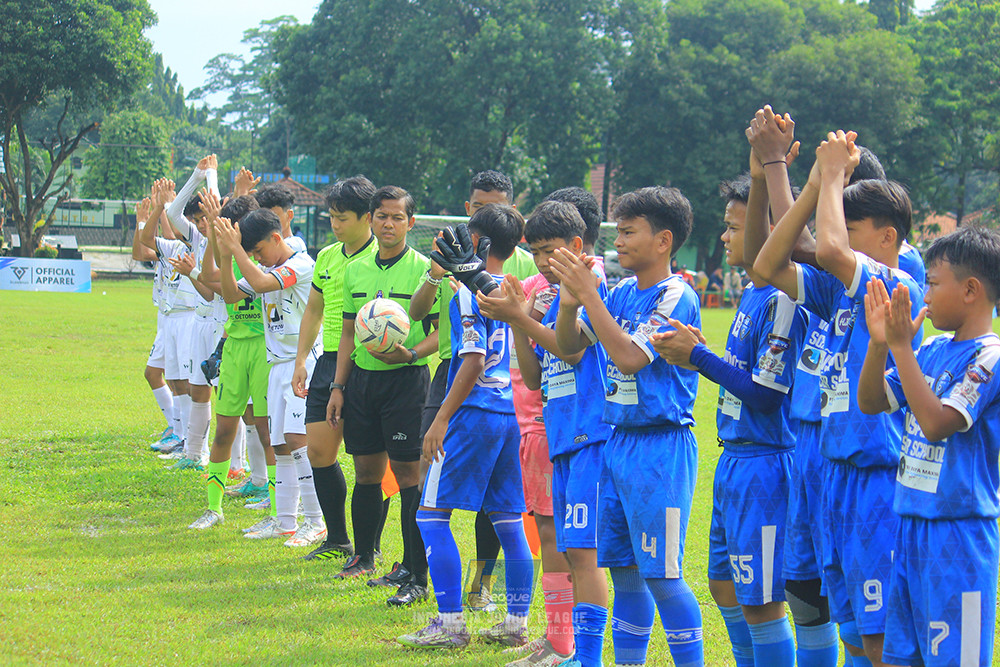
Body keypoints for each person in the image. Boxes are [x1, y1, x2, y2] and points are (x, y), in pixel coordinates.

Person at [754, 130, 924, 667]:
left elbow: (825, 248)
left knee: (879, 633)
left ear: (887, 236)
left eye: (853, 228)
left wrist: (827, 178)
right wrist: (811, 185)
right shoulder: (839, 291)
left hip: (874, 475)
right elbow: (767, 265)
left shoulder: (895, 281)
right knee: (850, 621)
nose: (840, 239)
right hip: (835, 471)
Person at [656, 173, 807, 666]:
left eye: (733, 227)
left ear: (768, 233)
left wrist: (698, 356)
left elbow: (766, 395)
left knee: (762, 600)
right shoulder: (752, 293)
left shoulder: (784, 301)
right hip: (735, 461)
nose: (724, 237)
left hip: (766, 463)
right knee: (724, 584)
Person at [551, 186, 704, 667]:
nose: (618, 240)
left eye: (629, 231)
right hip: (618, 443)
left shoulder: (675, 294)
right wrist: (572, 302)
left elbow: (630, 357)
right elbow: (568, 347)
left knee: (662, 574)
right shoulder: (618, 293)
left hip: (661, 446)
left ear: (663, 241)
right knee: (624, 570)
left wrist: (590, 297)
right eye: (617, 231)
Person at [858, 226, 1000, 667]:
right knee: (904, 658)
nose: (926, 297)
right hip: (913, 525)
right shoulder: (935, 349)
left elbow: (937, 424)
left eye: (934, 285)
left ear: (971, 289)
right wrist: (881, 346)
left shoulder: (989, 356)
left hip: (958, 533)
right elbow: (871, 401)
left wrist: (901, 347)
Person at [479, 199, 613, 666]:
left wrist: (519, 316)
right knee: (556, 540)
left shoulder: (594, 287)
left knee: (581, 551)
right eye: (533, 252)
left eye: (548, 250)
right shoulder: (548, 293)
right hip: (559, 433)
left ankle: (578, 651)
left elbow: (572, 352)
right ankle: (560, 642)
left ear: (576, 246)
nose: (539, 262)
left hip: (590, 436)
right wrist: (517, 318)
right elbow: (534, 377)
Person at [396, 206, 535, 650]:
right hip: (508, 411)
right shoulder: (512, 289)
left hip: (473, 413)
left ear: (479, 244)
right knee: (509, 521)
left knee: (431, 515)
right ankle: (515, 623)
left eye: (467, 238)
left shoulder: (467, 294)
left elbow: (473, 358)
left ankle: (450, 623)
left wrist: (440, 417)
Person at [327, 186, 438, 584]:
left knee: (408, 474)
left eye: (396, 217)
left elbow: (441, 334)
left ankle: (412, 565)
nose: (388, 224)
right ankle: (363, 556)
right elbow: (345, 333)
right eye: (381, 216)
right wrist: (338, 387)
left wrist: (409, 353)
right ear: (371, 219)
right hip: (362, 382)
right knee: (365, 471)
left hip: (407, 382)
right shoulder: (355, 269)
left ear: (411, 222)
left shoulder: (427, 269)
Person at [216, 208, 327, 548]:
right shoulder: (267, 266)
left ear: (276, 238)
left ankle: (316, 522)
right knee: (279, 443)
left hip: (302, 362)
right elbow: (232, 295)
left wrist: (236, 250)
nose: (256, 259)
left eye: (258, 251)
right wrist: (225, 256)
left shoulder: (302, 265)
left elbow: (263, 284)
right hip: (276, 364)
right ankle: (285, 522)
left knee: (297, 441)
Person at [291, 176, 378, 561]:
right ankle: (337, 538)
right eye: (332, 217)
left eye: (342, 218)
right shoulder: (326, 257)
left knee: (368, 464)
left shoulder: (382, 257)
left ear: (367, 217)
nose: (335, 225)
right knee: (319, 453)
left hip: (370, 365)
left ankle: (367, 546)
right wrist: (300, 362)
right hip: (328, 362)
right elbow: (313, 309)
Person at [132, 195, 180, 452]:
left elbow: (172, 234)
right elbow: (139, 250)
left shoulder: (178, 248)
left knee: (167, 377)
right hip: (165, 317)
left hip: (178, 318)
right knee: (161, 376)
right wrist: (141, 221)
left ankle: (180, 432)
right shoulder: (164, 252)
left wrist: (164, 207)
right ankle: (176, 428)